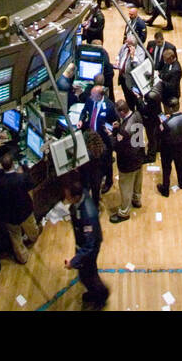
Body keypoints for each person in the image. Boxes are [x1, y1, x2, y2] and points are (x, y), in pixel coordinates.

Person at [63, 178, 108, 309]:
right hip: (83, 243)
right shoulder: (81, 195)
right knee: (85, 274)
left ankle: (101, 297)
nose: (65, 198)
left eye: (68, 196)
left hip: (90, 247)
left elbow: (89, 245)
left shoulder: (88, 215)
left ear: (75, 197)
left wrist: (73, 261)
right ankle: (95, 293)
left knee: (89, 275)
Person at [0, 154, 40, 264]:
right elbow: (30, 191)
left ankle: (22, 258)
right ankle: (33, 238)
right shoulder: (22, 177)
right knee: (31, 226)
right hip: (25, 211)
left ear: (2, 166)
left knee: (15, 237)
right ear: (13, 164)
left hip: (9, 215)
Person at [110, 102, 147, 222]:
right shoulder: (137, 114)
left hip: (127, 162)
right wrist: (120, 125)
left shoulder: (124, 131)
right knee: (137, 181)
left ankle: (124, 212)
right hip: (139, 155)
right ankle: (136, 200)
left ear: (122, 112)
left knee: (125, 187)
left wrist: (111, 135)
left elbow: (117, 146)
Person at [79, 85, 118, 193]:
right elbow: (84, 111)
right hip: (90, 137)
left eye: (93, 95)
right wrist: (81, 120)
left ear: (100, 96)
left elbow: (115, 123)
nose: (90, 97)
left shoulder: (109, 106)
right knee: (92, 161)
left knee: (107, 161)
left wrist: (110, 130)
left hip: (104, 140)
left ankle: (108, 182)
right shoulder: (90, 100)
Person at [156, 98, 182, 197]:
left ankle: (165, 189)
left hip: (167, 147)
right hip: (180, 144)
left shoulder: (166, 123)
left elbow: (159, 134)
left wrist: (162, 122)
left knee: (166, 168)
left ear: (170, 109)